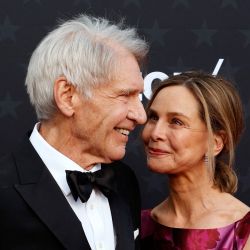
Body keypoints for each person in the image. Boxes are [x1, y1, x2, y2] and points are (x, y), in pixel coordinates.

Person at [0, 14, 148, 250]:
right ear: (68, 96)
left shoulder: (123, 181)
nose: (141, 116)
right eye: (125, 95)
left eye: (139, 97)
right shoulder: (5, 191)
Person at [140, 71, 250, 249]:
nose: (155, 133)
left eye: (176, 122)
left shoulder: (243, 230)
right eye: (153, 117)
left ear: (215, 143)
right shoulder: (139, 225)